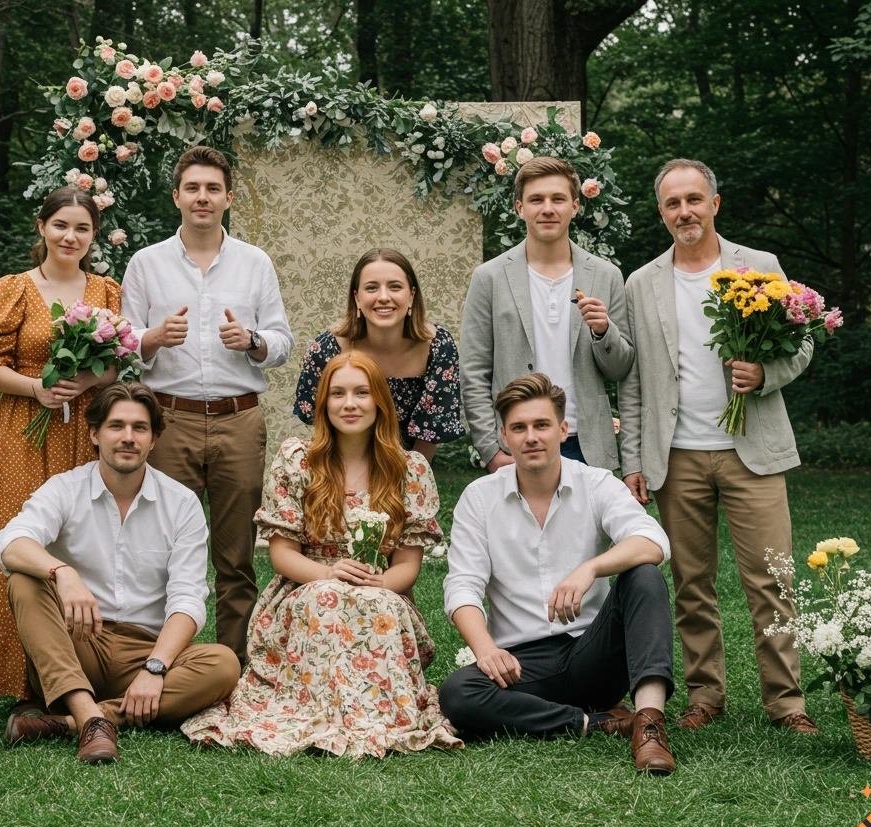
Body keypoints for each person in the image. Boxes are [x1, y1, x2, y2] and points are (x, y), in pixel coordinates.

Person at [616, 158, 818, 735]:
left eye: (694, 199)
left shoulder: (760, 267)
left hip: (752, 450)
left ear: (714, 203)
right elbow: (632, 381)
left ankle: (787, 703)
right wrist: (634, 460)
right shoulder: (642, 282)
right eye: (673, 203)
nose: (685, 211)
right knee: (691, 585)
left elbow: (800, 344)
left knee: (772, 579)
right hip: (675, 456)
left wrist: (765, 373)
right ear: (661, 214)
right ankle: (706, 694)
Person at [182, 351, 461, 757]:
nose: (350, 404)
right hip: (307, 585)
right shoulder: (299, 460)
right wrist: (330, 575)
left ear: (380, 401)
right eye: (338, 394)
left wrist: (379, 583)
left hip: (380, 586)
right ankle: (311, 710)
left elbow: (408, 567)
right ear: (323, 404)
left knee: (374, 603)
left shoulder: (408, 468)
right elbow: (283, 556)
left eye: (362, 393)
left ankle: (380, 715)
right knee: (326, 599)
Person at [439, 374, 677, 774]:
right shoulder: (479, 498)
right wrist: (486, 650)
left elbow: (653, 540)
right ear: (504, 437)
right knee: (457, 694)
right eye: (519, 428)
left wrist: (591, 568)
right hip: (522, 665)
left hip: (594, 654)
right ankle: (593, 722)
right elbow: (462, 584)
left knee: (644, 576)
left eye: (542, 425)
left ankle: (649, 726)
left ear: (563, 429)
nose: (531, 437)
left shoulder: (595, 483)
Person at [0, 382, 240, 764]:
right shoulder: (65, 488)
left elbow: (188, 598)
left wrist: (155, 669)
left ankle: (76, 722)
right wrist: (63, 573)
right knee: (24, 579)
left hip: (144, 650)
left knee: (224, 664)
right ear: (94, 434)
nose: (128, 437)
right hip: (77, 642)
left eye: (139, 428)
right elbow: (9, 543)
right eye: (116, 426)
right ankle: (88, 712)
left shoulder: (181, 503)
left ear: (153, 440)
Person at [123, 146, 294, 664]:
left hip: (237, 419)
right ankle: (150, 664)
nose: (203, 197)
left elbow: (283, 340)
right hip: (166, 420)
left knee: (235, 555)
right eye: (193, 188)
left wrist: (253, 340)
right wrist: (152, 338)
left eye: (213, 189)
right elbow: (122, 341)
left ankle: (231, 667)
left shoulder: (254, 262)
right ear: (176, 196)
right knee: (158, 548)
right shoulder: (146, 263)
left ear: (228, 198)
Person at [0, 187, 124, 700]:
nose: (70, 236)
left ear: (93, 236)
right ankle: (15, 677)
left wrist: (89, 381)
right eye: (61, 225)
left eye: (82, 228)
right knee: (23, 537)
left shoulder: (106, 291)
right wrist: (38, 387)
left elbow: (118, 361)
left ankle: (81, 669)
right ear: (41, 227)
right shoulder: (13, 287)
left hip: (84, 428)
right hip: (24, 428)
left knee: (83, 536)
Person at [460, 156, 633, 471]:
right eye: (536, 199)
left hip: (586, 443)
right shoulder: (489, 278)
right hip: (516, 443)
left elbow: (620, 369)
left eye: (558, 199)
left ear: (575, 206)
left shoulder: (606, 276)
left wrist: (603, 331)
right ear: (519, 208)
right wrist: (490, 449)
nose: (548, 208)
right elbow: (473, 372)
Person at [293, 248, 464, 461]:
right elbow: (318, 418)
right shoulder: (327, 349)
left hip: (411, 464)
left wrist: (409, 479)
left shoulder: (438, 346)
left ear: (411, 295)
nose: (383, 297)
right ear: (357, 297)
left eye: (394, 287)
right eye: (372, 288)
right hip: (342, 461)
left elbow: (432, 427)